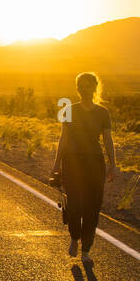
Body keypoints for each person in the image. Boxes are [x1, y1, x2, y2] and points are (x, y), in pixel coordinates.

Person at [51, 72, 116, 260]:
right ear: (78, 88)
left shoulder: (103, 112)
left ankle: (86, 249)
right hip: (72, 162)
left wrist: (113, 165)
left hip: (95, 163)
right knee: (75, 204)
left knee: (92, 208)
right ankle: (74, 237)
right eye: (82, 85)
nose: (85, 88)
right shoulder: (70, 110)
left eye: (88, 85)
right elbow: (63, 138)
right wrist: (56, 164)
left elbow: (108, 140)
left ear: (95, 87)